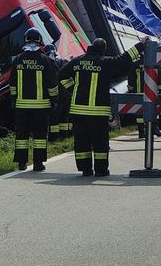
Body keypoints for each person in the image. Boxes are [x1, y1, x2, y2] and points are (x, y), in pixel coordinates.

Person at [59, 37, 143, 177]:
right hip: (98, 112)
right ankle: (101, 170)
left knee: (81, 141)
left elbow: (61, 75)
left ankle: (86, 170)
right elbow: (123, 60)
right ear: (102, 51)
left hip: (78, 111)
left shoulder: (78, 61)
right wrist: (140, 46)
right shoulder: (105, 63)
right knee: (100, 143)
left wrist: (73, 90)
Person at [9, 28, 58, 172]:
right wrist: (54, 100)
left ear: (25, 39)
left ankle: (21, 163)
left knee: (21, 135)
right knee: (40, 135)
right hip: (41, 106)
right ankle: (38, 163)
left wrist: (14, 99)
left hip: (22, 106)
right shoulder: (45, 60)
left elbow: (12, 83)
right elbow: (52, 83)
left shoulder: (18, 59)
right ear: (39, 40)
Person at [127, 55, 161, 139]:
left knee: (139, 112)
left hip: (139, 92)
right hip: (152, 92)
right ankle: (154, 128)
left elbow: (131, 78)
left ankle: (141, 131)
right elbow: (160, 78)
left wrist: (131, 90)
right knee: (153, 110)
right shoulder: (155, 64)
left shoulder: (135, 64)